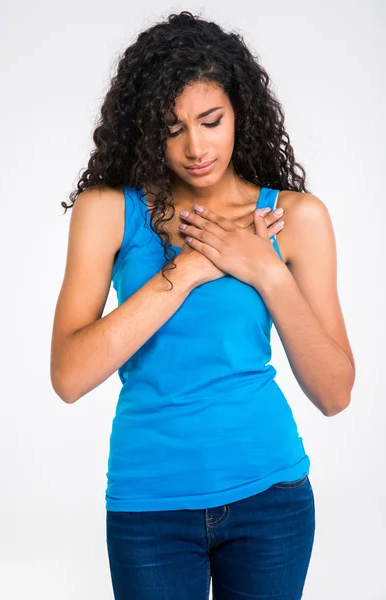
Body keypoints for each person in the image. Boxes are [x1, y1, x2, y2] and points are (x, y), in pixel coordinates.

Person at [50, 10, 356, 600]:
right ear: (145, 130)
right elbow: (69, 374)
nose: (195, 147)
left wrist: (264, 268)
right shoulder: (109, 211)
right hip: (149, 507)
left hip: (271, 499)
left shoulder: (298, 218)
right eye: (171, 128)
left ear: (240, 110)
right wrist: (189, 269)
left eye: (211, 121)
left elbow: (336, 393)